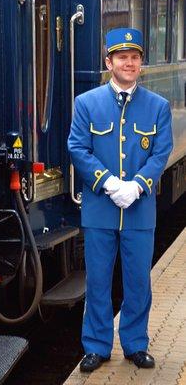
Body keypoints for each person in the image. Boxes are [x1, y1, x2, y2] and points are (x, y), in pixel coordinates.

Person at [67, 28, 173, 372]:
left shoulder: (158, 107)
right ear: (108, 61)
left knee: (139, 282)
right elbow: (78, 148)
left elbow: (161, 152)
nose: (129, 63)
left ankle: (135, 344)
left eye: (135, 57)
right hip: (100, 210)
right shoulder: (87, 103)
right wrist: (108, 182)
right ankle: (96, 347)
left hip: (140, 212)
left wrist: (138, 185)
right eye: (122, 57)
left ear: (141, 64)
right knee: (98, 281)